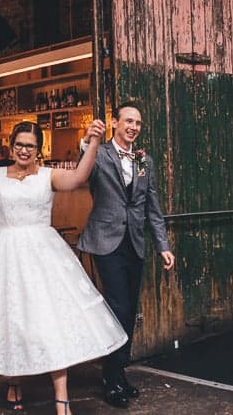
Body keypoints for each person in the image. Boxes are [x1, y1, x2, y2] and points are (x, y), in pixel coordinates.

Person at [0, 120, 127, 415]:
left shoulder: (47, 175)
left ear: (38, 150)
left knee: (50, 321)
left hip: (44, 255)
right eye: (19, 144)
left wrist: (93, 141)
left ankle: (61, 398)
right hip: (6, 255)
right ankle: (14, 382)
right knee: (11, 318)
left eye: (30, 146)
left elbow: (78, 177)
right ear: (11, 146)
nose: (24, 150)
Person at [77, 101, 176, 408]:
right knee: (117, 305)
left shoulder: (144, 160)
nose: (134, 127)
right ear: (115, 123)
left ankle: (119, 372)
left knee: (129, 308)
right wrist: (86, 143)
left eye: (138, 123)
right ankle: (111, 377)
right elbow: (84, 172)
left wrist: (163, 245)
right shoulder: (100, 153)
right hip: (105, 241)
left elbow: (152, 206)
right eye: (129, 121)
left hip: (134, 241)